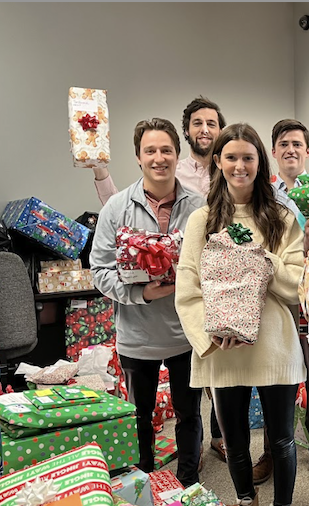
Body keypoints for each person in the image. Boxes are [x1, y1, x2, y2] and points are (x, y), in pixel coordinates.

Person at [175, 123, 305, 506]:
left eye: (248, 157)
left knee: (282, 438)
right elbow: (187, 284)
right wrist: (207, 334)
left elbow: (296, 285)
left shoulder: (281, 219)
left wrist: (261, 259)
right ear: (218, 163)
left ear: (259, 162)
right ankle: (245, 503)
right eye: (230, 157)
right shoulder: (201, 219)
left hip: (273, 345)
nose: (239, 165)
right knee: (233, 438)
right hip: (222, 348)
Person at [91, 97, 229, 463]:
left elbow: (217, 263)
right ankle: (145, 479)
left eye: (166, 150)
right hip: (137, 338)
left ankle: (188, 480)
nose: (158, 158)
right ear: (138, 157)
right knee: (139, 417)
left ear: (176, 154)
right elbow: (100, 271)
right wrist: (143, 294)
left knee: (189, 416)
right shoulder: (116, 208)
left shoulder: (201, 206)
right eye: (150, 150)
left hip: (186, 336)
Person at [250, 118, 309, 488]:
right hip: (279, 298)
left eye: (297, 144)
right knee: (275, 374)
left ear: (308, 150)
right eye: (283, 143)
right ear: (273, 152)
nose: (290, 150)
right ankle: (272, 448)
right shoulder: (262, 198)